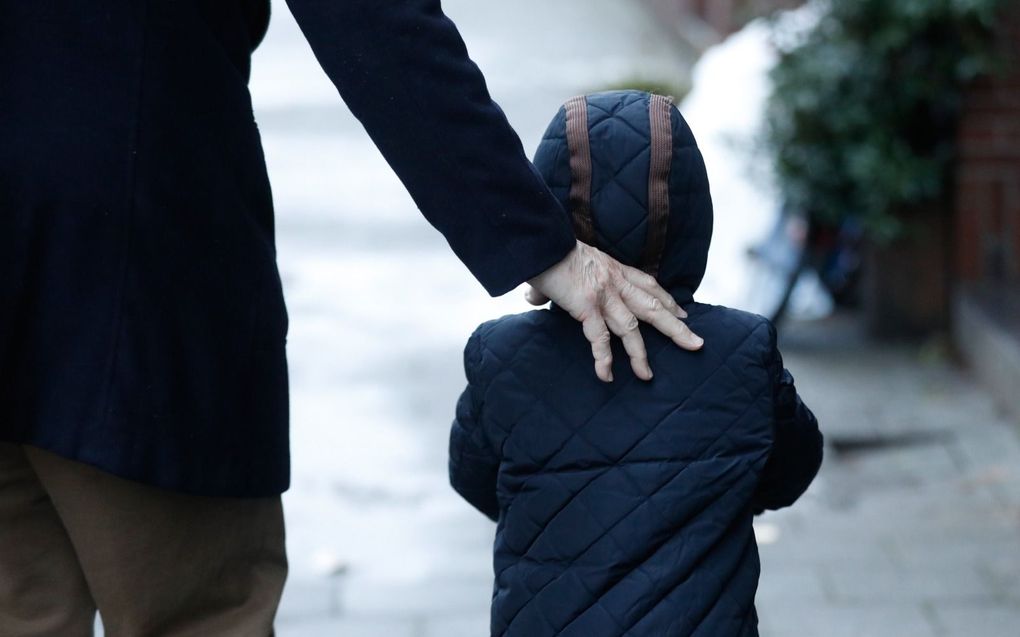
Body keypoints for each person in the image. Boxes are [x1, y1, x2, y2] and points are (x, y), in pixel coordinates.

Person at [0, 2, 703, 635]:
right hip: (127, 251)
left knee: (25, 607)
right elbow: (373, 21)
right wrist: (537, 243)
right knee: (199, 614)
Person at [448, 90, 824, 637]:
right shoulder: (741, 348)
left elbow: (474, 478)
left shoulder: (500, 355)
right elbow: (791, 470)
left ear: (547, 205)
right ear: (695, 211)